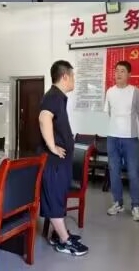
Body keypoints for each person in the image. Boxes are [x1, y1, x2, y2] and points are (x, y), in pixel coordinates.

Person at [38, 60, 89, 256]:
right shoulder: (53, 96)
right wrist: (52, 146)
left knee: (57, 197)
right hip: (54, 163)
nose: (74, 80)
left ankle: (58, 234)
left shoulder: (58, 97)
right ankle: (64, 242)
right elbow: (44, 118)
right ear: (65, 76)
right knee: (54, 199)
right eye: (73, 76)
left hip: (59, 163)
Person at [104, 61, 139, 221]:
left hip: (130, 139)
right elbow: (109, 113)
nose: (118, 74)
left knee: (133, 173)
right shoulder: (110, 92)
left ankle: (135, 206)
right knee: (114, 171)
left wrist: (129, 127)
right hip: (112, 137)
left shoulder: (136, 92)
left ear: (129, 74)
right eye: (116, 71)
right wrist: (117, 126)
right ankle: (117, 203)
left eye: (122, 71)